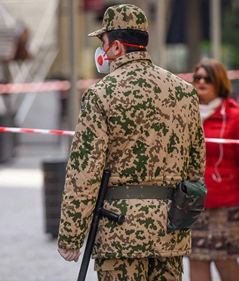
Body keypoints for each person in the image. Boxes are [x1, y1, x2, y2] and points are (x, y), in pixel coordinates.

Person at [57, 4, 206, 281]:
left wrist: (71, 234)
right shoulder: (185, 92)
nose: (101, 51)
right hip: (170, 230)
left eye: (103, 42)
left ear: (115, 48)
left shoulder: (101, 95)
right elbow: (196, 166)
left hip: (119, 232)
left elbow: (83, 173)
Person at [187, 59, 239, 281]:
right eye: (197, 77)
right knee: (196, 258)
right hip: (192, 202)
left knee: (226, 258)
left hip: (226, 203)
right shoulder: (183, 113)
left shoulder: (234, 115)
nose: (201, 82)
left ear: (219, 83)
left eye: (207, 79)